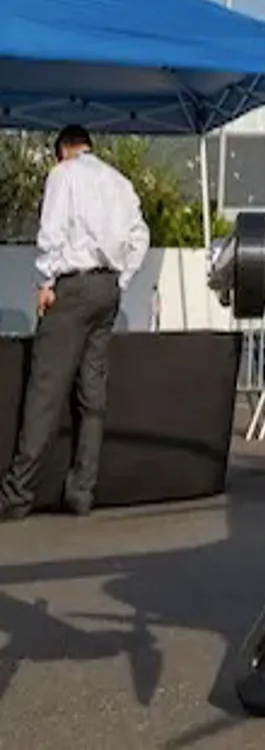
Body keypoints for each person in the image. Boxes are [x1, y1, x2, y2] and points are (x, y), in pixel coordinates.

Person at [0, 125, 151, 520]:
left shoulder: (62, 175)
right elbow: (140, 237)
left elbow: (51, 231)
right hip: (106, 289)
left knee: (45, 390)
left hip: (73, 288)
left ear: (62, 150)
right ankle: (81, 490)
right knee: (92, 394)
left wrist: (46, 280)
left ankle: (17, 494)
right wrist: (122, 279)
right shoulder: (119, 182)